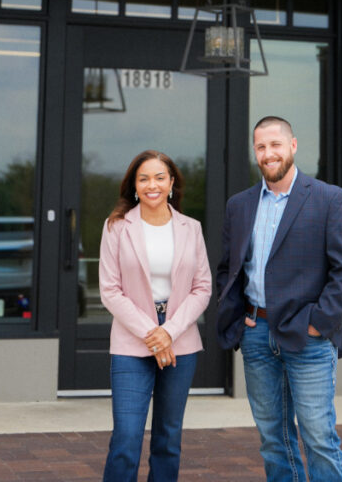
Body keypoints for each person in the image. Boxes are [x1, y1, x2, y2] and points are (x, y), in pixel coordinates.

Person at [216, 116, 342, 482]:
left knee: (319, 437)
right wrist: (239, 317)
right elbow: (228, 268)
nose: (268, 153)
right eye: (261, 147)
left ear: (293, 146)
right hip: (256, 334)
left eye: (275, 144)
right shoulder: (239, 205)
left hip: (308, 337)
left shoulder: (329, 199)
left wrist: (318, 323)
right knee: (272, 438)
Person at [99, 149, 211, 482]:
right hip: (131, 341)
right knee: (126, 437)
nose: (152, 185)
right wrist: (154, 333)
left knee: (168, 437)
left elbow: (202, 288)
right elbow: (110, 290)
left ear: (172, 183)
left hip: (180, 341)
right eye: (144, 178)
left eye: (160, 178)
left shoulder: (191, 228)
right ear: (134, 186)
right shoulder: (116, 227)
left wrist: (169, 332)